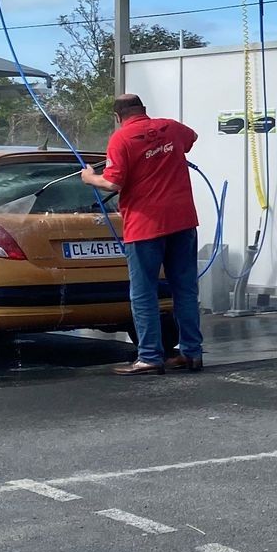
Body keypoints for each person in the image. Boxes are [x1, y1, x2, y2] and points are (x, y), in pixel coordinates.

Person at [81, 93, 202, 377]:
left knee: (144, 293)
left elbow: (112, 181)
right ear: (144, 110)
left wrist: (88, 178)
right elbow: (191, 139)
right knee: (185, 289)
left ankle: (149, 357)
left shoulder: (120, 139)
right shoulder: (171, 127)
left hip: (145, 226)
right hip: (183, 221)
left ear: (117, 117)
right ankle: (191, 353)